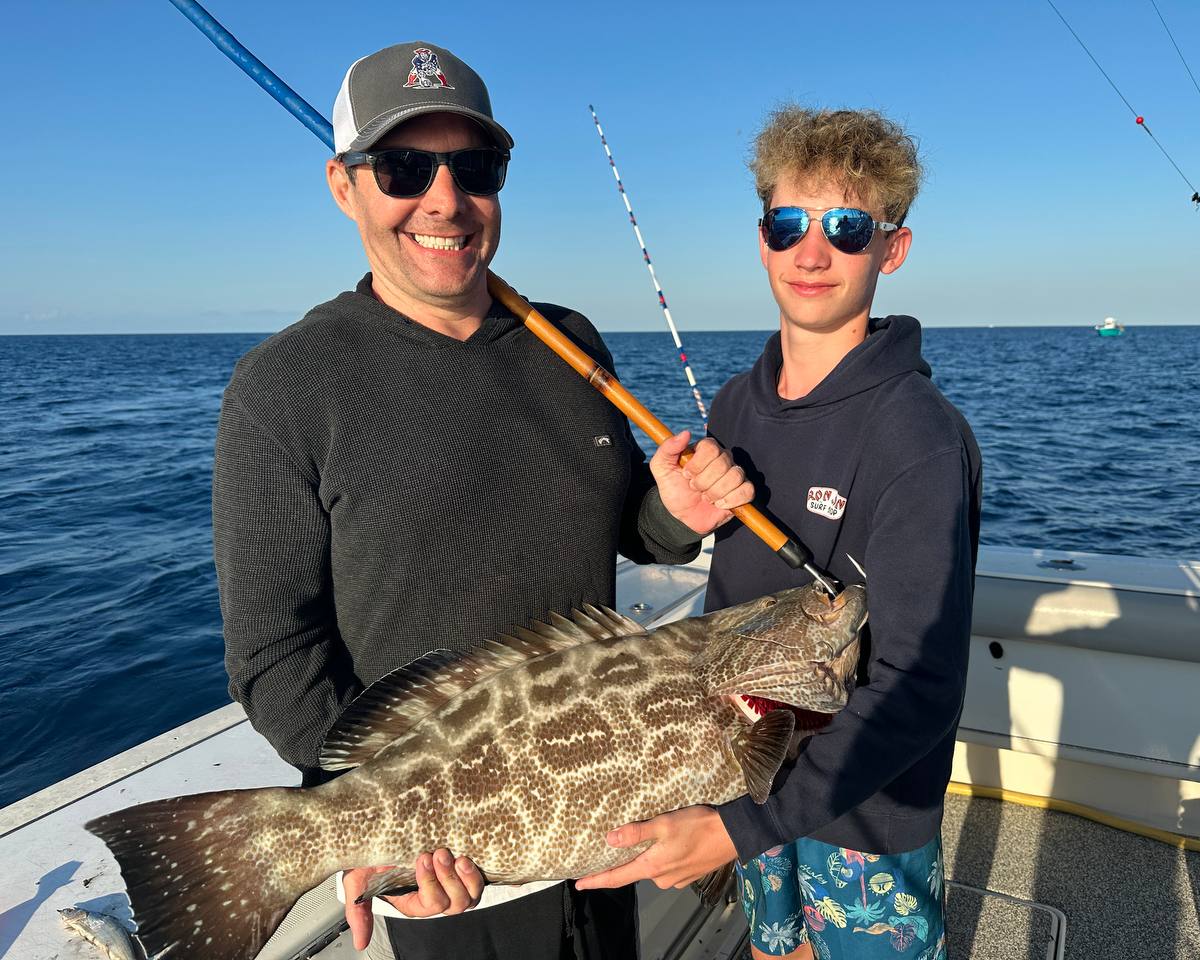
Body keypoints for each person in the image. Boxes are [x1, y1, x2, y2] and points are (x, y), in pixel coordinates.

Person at [211, 41, 752, 960]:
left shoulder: (569, 343)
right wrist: (376, 814)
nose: (444, 199)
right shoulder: (284, 386)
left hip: (605, 813)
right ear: (345, 187)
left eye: (475, 167)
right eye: (404, 167)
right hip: (453, 863)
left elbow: (624, 528)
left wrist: (673, 516)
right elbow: (275, 654)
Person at [577, 106, 982, 960]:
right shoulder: (732, 403)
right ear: (762, 238)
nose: (812, 252)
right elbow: (717, 595)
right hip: (738, 774)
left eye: (845, 227)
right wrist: (676, 514)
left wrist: (735, 830)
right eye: (788, 223)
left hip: (863, 806)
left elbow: (920, 684)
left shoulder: (918, 436)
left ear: (890, 248)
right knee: (773, 951)